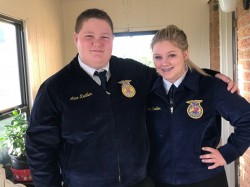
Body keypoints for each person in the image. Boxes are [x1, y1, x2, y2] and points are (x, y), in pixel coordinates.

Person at [25, 9, 238, 187]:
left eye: (104, 37)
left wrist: (209, 75)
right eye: (89, 36)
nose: (97, 43)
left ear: (112, 40)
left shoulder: (132, 72)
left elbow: (169, 72)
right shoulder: (55, 88)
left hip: (140, 181)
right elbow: (39, 149)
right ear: (76, 39)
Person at [146, 25, 250, 187]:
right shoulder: (147, 90)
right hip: (160, 180)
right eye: (158, 57)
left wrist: (228, 153)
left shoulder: (211, 87)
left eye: (171, 55)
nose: (164, 63)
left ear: (185, 54)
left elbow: (247, 118)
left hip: (205, 179)